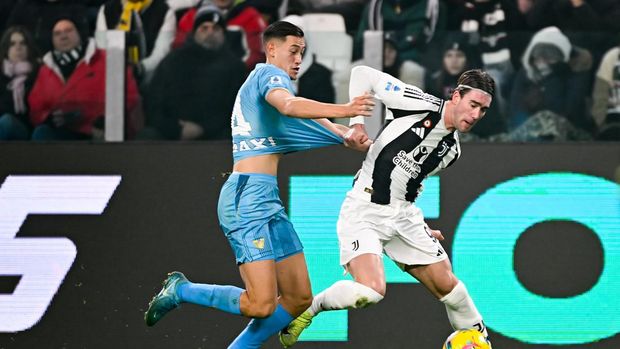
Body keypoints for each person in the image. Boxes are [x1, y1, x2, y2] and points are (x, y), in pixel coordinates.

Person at [143, 20, 375, 348]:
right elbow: (291, 107)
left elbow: (302, 116)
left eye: (302, 53)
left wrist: (347, 134)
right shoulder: (268, 76)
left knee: (297, 298)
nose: (298, 59)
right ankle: (181, 290)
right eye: (293, 51)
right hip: (245, 196)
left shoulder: (269, 89)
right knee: (261, 304)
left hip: (266, 199)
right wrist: (347, 109)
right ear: (271, 49)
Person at [278, 64, 496, 348]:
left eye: (483, 110)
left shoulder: (451, 151)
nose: (476, 114)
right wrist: (357, 123)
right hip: (364, 209)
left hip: (403, 215)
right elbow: (361, 74)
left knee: (449, 287)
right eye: (473, 105)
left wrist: (420, 227)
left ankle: (479, 339)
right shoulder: (417, 103)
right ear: (456, 96)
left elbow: (408, 182)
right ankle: (309, 310)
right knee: (371, 291)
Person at [143, 4, 247, 140]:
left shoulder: (235, 67)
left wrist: (203, 129)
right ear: (195, 32)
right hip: (172, 132)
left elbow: (238, 111)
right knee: (147, 136)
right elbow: (154, 102)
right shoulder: (173, 61)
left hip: (217, 134)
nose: (210, 32)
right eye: (204, 28)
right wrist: (175, 128)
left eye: (215, 28)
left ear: (223, 34)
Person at [28, 16, 139, 140]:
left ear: (80, 33)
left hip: (99, 134)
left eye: (68, 30)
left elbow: (129, 96)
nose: (63, 36)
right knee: (42, 132)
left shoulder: (108, 59)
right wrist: (48, 118)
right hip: (60, 135)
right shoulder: (46, 69)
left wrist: (102, 121)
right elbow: (35, 108)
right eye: (57, 33)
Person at [0, 26, 39, 140]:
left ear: (29, 48)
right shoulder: (1, 75)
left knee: (7, 121)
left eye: (22, 43)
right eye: (12, 44)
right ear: (6, 50)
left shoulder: (37, 73)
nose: (18, 48)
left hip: (26, 130)